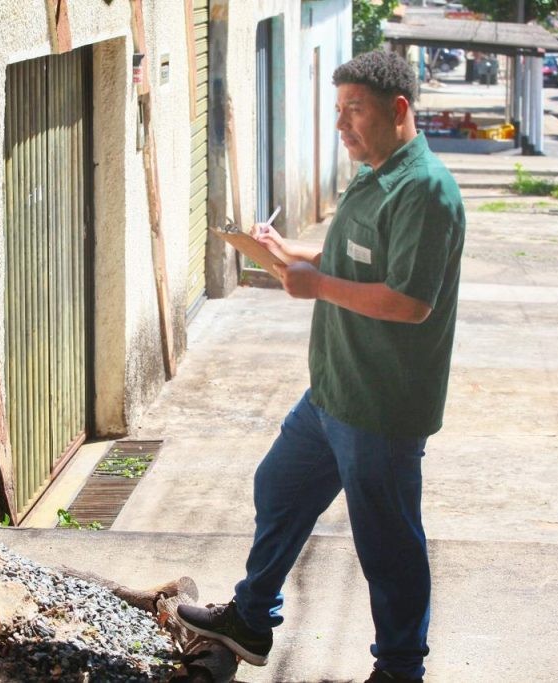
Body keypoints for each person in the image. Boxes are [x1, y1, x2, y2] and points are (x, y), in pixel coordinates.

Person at [177, 50, 465, 683]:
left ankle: (399, 668)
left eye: (354, 110)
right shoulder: (371, 172)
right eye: (338, 111)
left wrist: (315, 287)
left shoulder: (426, 192)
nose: (342, 124)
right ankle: (251, 618)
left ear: (398, 110)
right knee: (277, 489)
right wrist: (286, 252)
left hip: (382, 407)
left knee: (387, 545)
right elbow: (348, 260)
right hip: (333, 391)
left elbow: (411, 301)